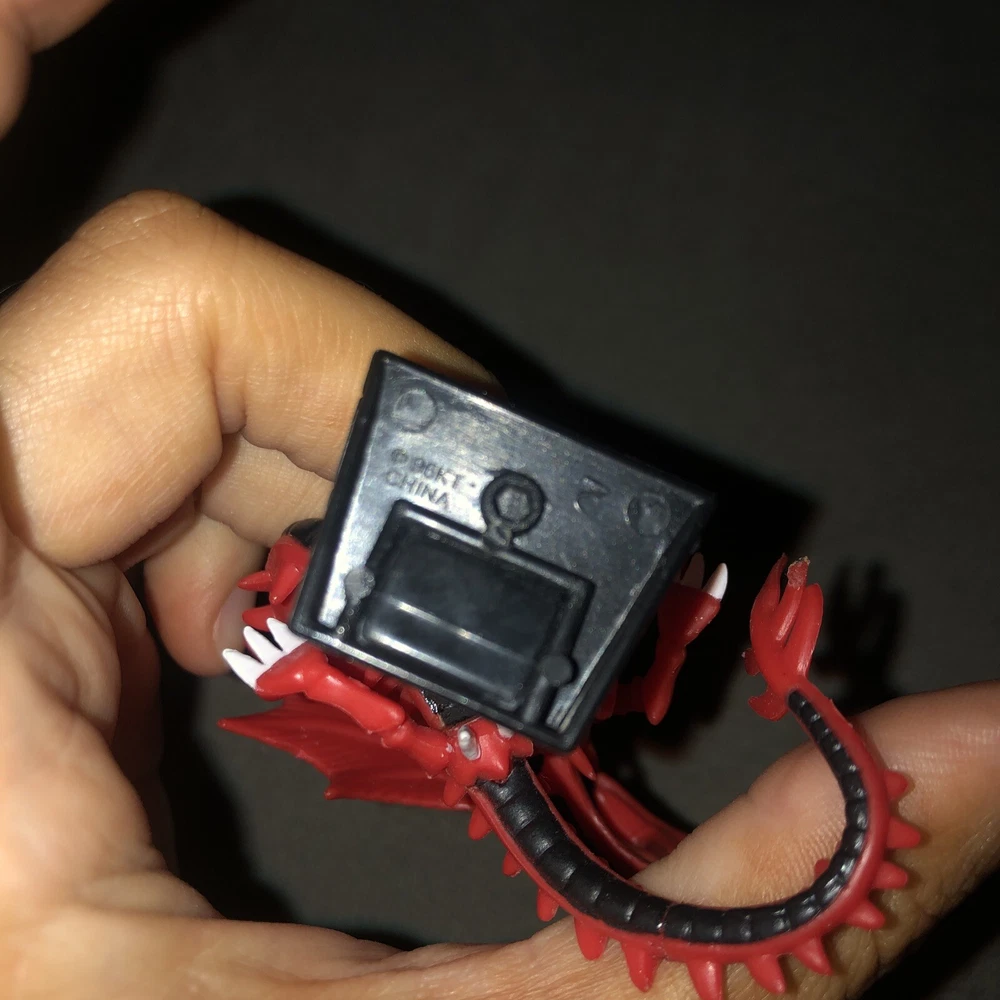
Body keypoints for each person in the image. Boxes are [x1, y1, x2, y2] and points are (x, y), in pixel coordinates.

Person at [0, 5, 997, 997]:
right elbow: (401, 727)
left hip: (499, 726)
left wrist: (655, 619)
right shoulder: (395, 659)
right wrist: (321, 679)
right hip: (474, 742)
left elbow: (488, 696)